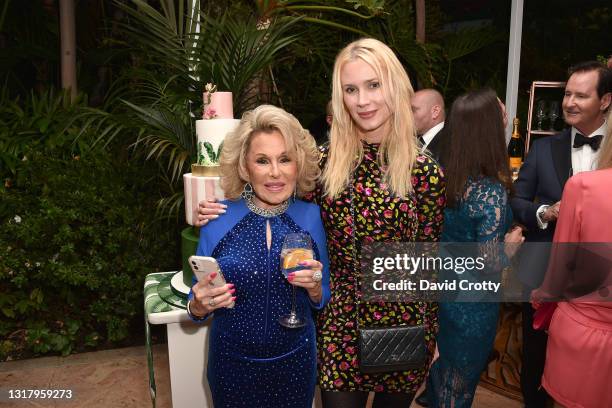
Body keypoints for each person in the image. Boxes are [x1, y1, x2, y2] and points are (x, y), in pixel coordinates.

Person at [197, 38, 446, 408]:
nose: (363, 100)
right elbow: (275, 196)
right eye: (351, 89)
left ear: (394, 86)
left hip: (401, 320)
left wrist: (432, 333)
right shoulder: (324, 163)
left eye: (373, 85)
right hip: (338, 324)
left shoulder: (425, 172)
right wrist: (222, 208)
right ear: (340, 96)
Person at [187, 104, 331, 408]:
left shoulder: (311, 217)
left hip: (295, 362)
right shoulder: (217, 219)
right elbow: (196, 303)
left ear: (298, 164)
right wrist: (199, 306)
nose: (275, 172)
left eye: (285, 159)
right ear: (244, 167)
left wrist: (316, 287)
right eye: (262, 161)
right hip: (231, 364)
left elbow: (322, 295)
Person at [510, 61, 611, 407]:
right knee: (535, 359)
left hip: (599, 288)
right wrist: (543, 212)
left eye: (581, 95)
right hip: (542, 271)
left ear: (606, 100)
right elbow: (518, 200)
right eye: (567, 93)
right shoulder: (542, 148)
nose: (569, 102)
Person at [425, 88, 522, 407]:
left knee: (441, 384)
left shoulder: (440, 176)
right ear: (490, 132)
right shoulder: (489, 192)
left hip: (440, 297)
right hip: (471, 307)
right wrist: (510, 247)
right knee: (457, 393)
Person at [531, 109, 612, 408]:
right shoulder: (546, 150)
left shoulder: (583, 187)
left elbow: (560, 267)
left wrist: (541, 297)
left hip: (581, 329)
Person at [411, 88, 448, 163]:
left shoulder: (450, 144)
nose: (407, 115)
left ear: (435, 111)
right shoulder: (414, 141)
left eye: (413, 110)